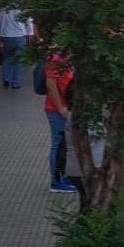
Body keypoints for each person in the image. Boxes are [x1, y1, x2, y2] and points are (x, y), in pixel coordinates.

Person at [43, 48, 78, 194]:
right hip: (57, 110)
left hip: (65, 108)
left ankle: (63, 177)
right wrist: (60, 108)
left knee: (65, 145)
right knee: (58, 144)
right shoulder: (55, 59)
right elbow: (50, 85)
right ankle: (56, 181)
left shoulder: (67, 57)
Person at [0, 4, 33, 89]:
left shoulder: (4, 10)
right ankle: (15, 83)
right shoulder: (23, 10)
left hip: (7, 38)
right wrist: (30, 37)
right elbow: (29, 24)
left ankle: (6, 79)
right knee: (19, 61)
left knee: (7, 58)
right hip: (20, 38)